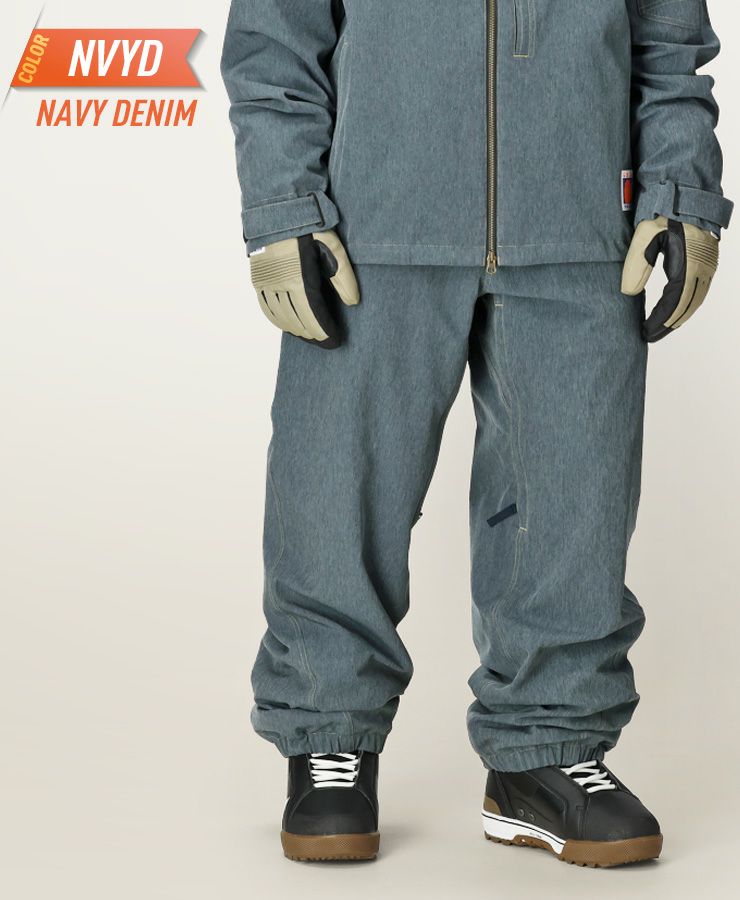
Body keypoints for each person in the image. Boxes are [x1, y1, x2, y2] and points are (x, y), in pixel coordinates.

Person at [221, 0, 732, 867]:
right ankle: (328, 740)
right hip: (369, 231)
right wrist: (283, 206)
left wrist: (681, 192)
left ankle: (546, 755)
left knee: (575, 503)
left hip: (580, 228)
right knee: (336, 491)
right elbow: (276, 37)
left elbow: (670, 44)